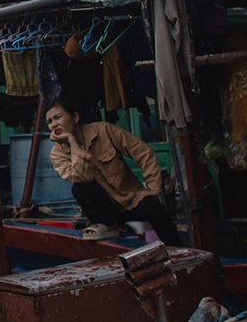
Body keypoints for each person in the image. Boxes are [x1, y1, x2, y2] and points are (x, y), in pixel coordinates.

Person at [44, 100, 178, 242]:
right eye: (49, 121)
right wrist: (72, 142)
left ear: (75, 117)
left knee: (153, 208)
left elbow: (144, 153)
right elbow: (81, 177)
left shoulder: (104, 130)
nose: (54, 124)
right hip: (105, 214)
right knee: (80, 188)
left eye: (57, 117)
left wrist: (153, 188)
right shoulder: (57, 154)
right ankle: (108, 227)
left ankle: (178, 251)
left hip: (131, 200)